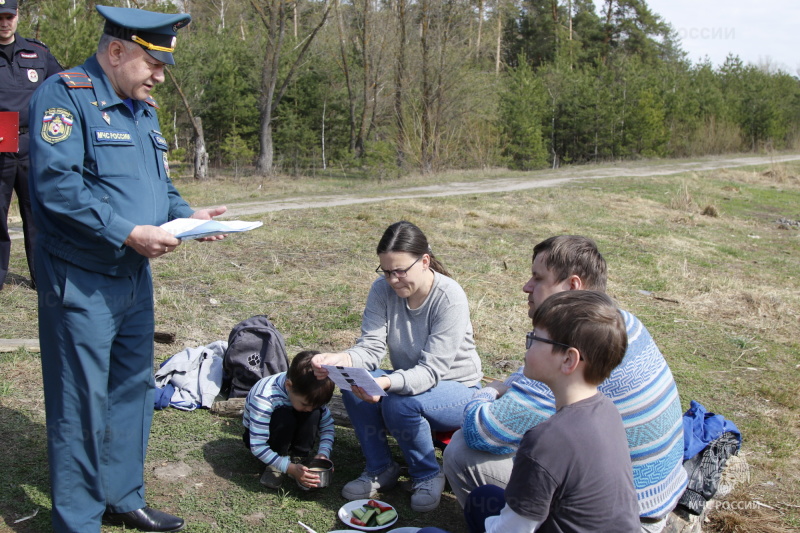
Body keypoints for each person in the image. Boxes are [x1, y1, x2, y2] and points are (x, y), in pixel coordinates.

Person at [28, 6, 227, 532]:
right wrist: (127, 230)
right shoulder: (64, 96)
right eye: (152, 62)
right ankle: (79, 520)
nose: (160, 76)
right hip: (82, 279)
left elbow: (157, 185)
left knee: (133, 389)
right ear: (116, 52)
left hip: (134, 278)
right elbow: (57, 190)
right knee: (80, 402)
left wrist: (186, 216)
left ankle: (122, 496)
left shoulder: (142, 108)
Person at [443, 235, 688, 532]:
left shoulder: (566, 366)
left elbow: (482, 431)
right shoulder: (619, 325)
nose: (526, 287)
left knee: (460, 451)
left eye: (538, 277)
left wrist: (490, 390)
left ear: (572, 286)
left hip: (628, 515)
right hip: (658, 492)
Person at [432, 290, 642, 533]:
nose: (527, 346)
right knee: (484, 498)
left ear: (568, 360)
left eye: (535, 339)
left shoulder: (546, 440)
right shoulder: (607, 409)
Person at [311, 220, 483, 512]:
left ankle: (427, 474)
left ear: (425, 261)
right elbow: (371, 347)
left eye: (400, 270)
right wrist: (342, 359)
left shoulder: (449, 296)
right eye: (386, 271)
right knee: (354, 385)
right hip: (411, 383)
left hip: (459, 390)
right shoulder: (382, 290)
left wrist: (387, 383)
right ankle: (380, 468)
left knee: (398, 404)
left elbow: (431, 372)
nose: (393, 279)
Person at [0, 0, 61, 290]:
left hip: (33, 140)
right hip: (1, 134)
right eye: (0, 17)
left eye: (9, 16)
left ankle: (42, 276)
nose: (4, 22)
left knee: (37, 214)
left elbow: (64, 85)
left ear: (17, 16)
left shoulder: (38, 52)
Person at [243, 350, 336, 489]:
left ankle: (300, 458)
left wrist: (323, 453)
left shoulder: (311, 394)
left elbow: (327, 427)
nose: (309, 408)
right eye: (305, 404)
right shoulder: (264, 397)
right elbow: (257, 445)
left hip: (292, 424)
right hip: (264, 437)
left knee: (315, 413)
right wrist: (289, 468)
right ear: (288, 385)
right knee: (284, 417)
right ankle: (276, 464)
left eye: (315, 404)